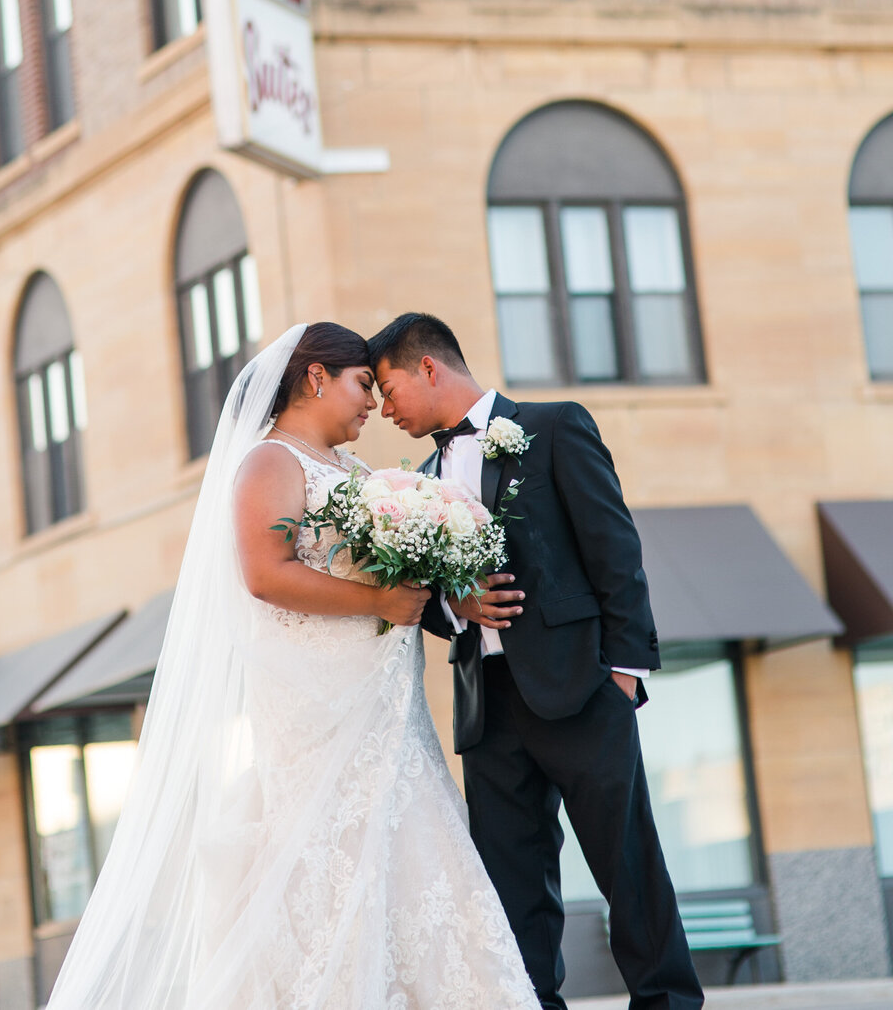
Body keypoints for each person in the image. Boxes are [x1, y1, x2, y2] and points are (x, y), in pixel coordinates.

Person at [44, 322, 540, 1010]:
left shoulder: (362, 477)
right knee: (329, 865)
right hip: (317, 711)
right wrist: (379, 597)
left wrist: (449, 584)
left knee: (416, 858)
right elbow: (265, 575)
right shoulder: (269, 463)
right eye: (362, 384)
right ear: (315, 377)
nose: (373, 402)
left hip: (385, 710)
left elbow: (400, 579)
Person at [368, 311, 703, 1010]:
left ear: (429, 366)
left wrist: (624, 675)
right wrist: (456, 606)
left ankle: (668, 1000)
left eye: (388, 387)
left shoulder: (554, 427)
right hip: (486, 709)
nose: (384, 407)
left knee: (628, 864)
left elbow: (615, 547)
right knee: (511, 885)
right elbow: (425, 600)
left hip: (581, 687)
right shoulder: (421, 480)